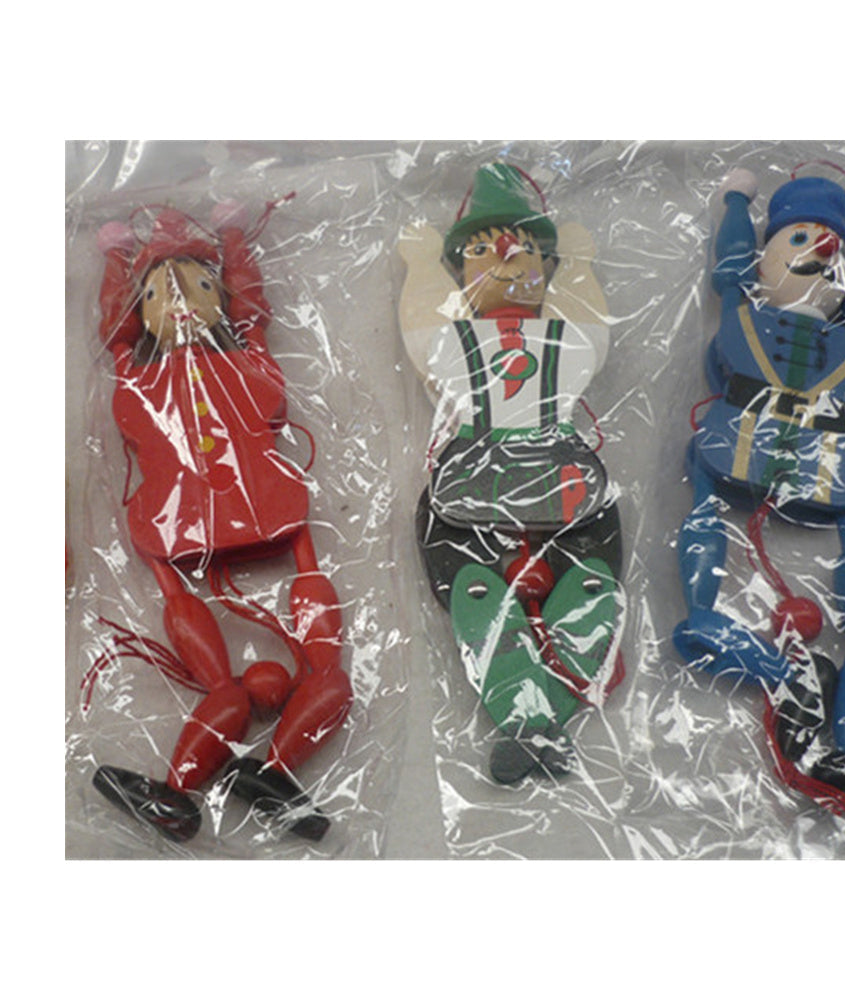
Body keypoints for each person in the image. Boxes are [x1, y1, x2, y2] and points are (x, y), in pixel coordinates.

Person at [90, 204, 352, 841]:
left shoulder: (240, 360)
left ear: (225, 300)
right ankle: (192, 791)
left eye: (201, 286)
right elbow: (118, 336)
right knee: (232, 689)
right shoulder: (144, 373)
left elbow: (251, 317)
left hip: (253, 503)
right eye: (159, 294)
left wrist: (234, 239)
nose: (181, 303)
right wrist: (116, 261)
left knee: (325, 676)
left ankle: (265, 774)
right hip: (192, 511)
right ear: (139, 313)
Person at [674, 168, 845, 815]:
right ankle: (784, 679)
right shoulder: (744, 310)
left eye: (831, 243)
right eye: (798, 238)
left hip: (824, 463)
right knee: (707, 573)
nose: (820, 249)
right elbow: (730, 271)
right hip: (742, 447)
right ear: (761, 259)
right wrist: (736, 201)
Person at [398, 162, 625, 784]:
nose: (504, 256)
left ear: (544, 268)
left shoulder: (565, 340)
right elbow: (422, 327)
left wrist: (579, 264)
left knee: (592, 583)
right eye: (481, 250)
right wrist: (421, 268)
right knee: (475, 590)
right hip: (472, 478)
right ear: (461, 272)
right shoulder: (453, 342)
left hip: (565, 476)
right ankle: (534, 724)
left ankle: (534, 725)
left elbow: (590, 328)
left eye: (523, 249)